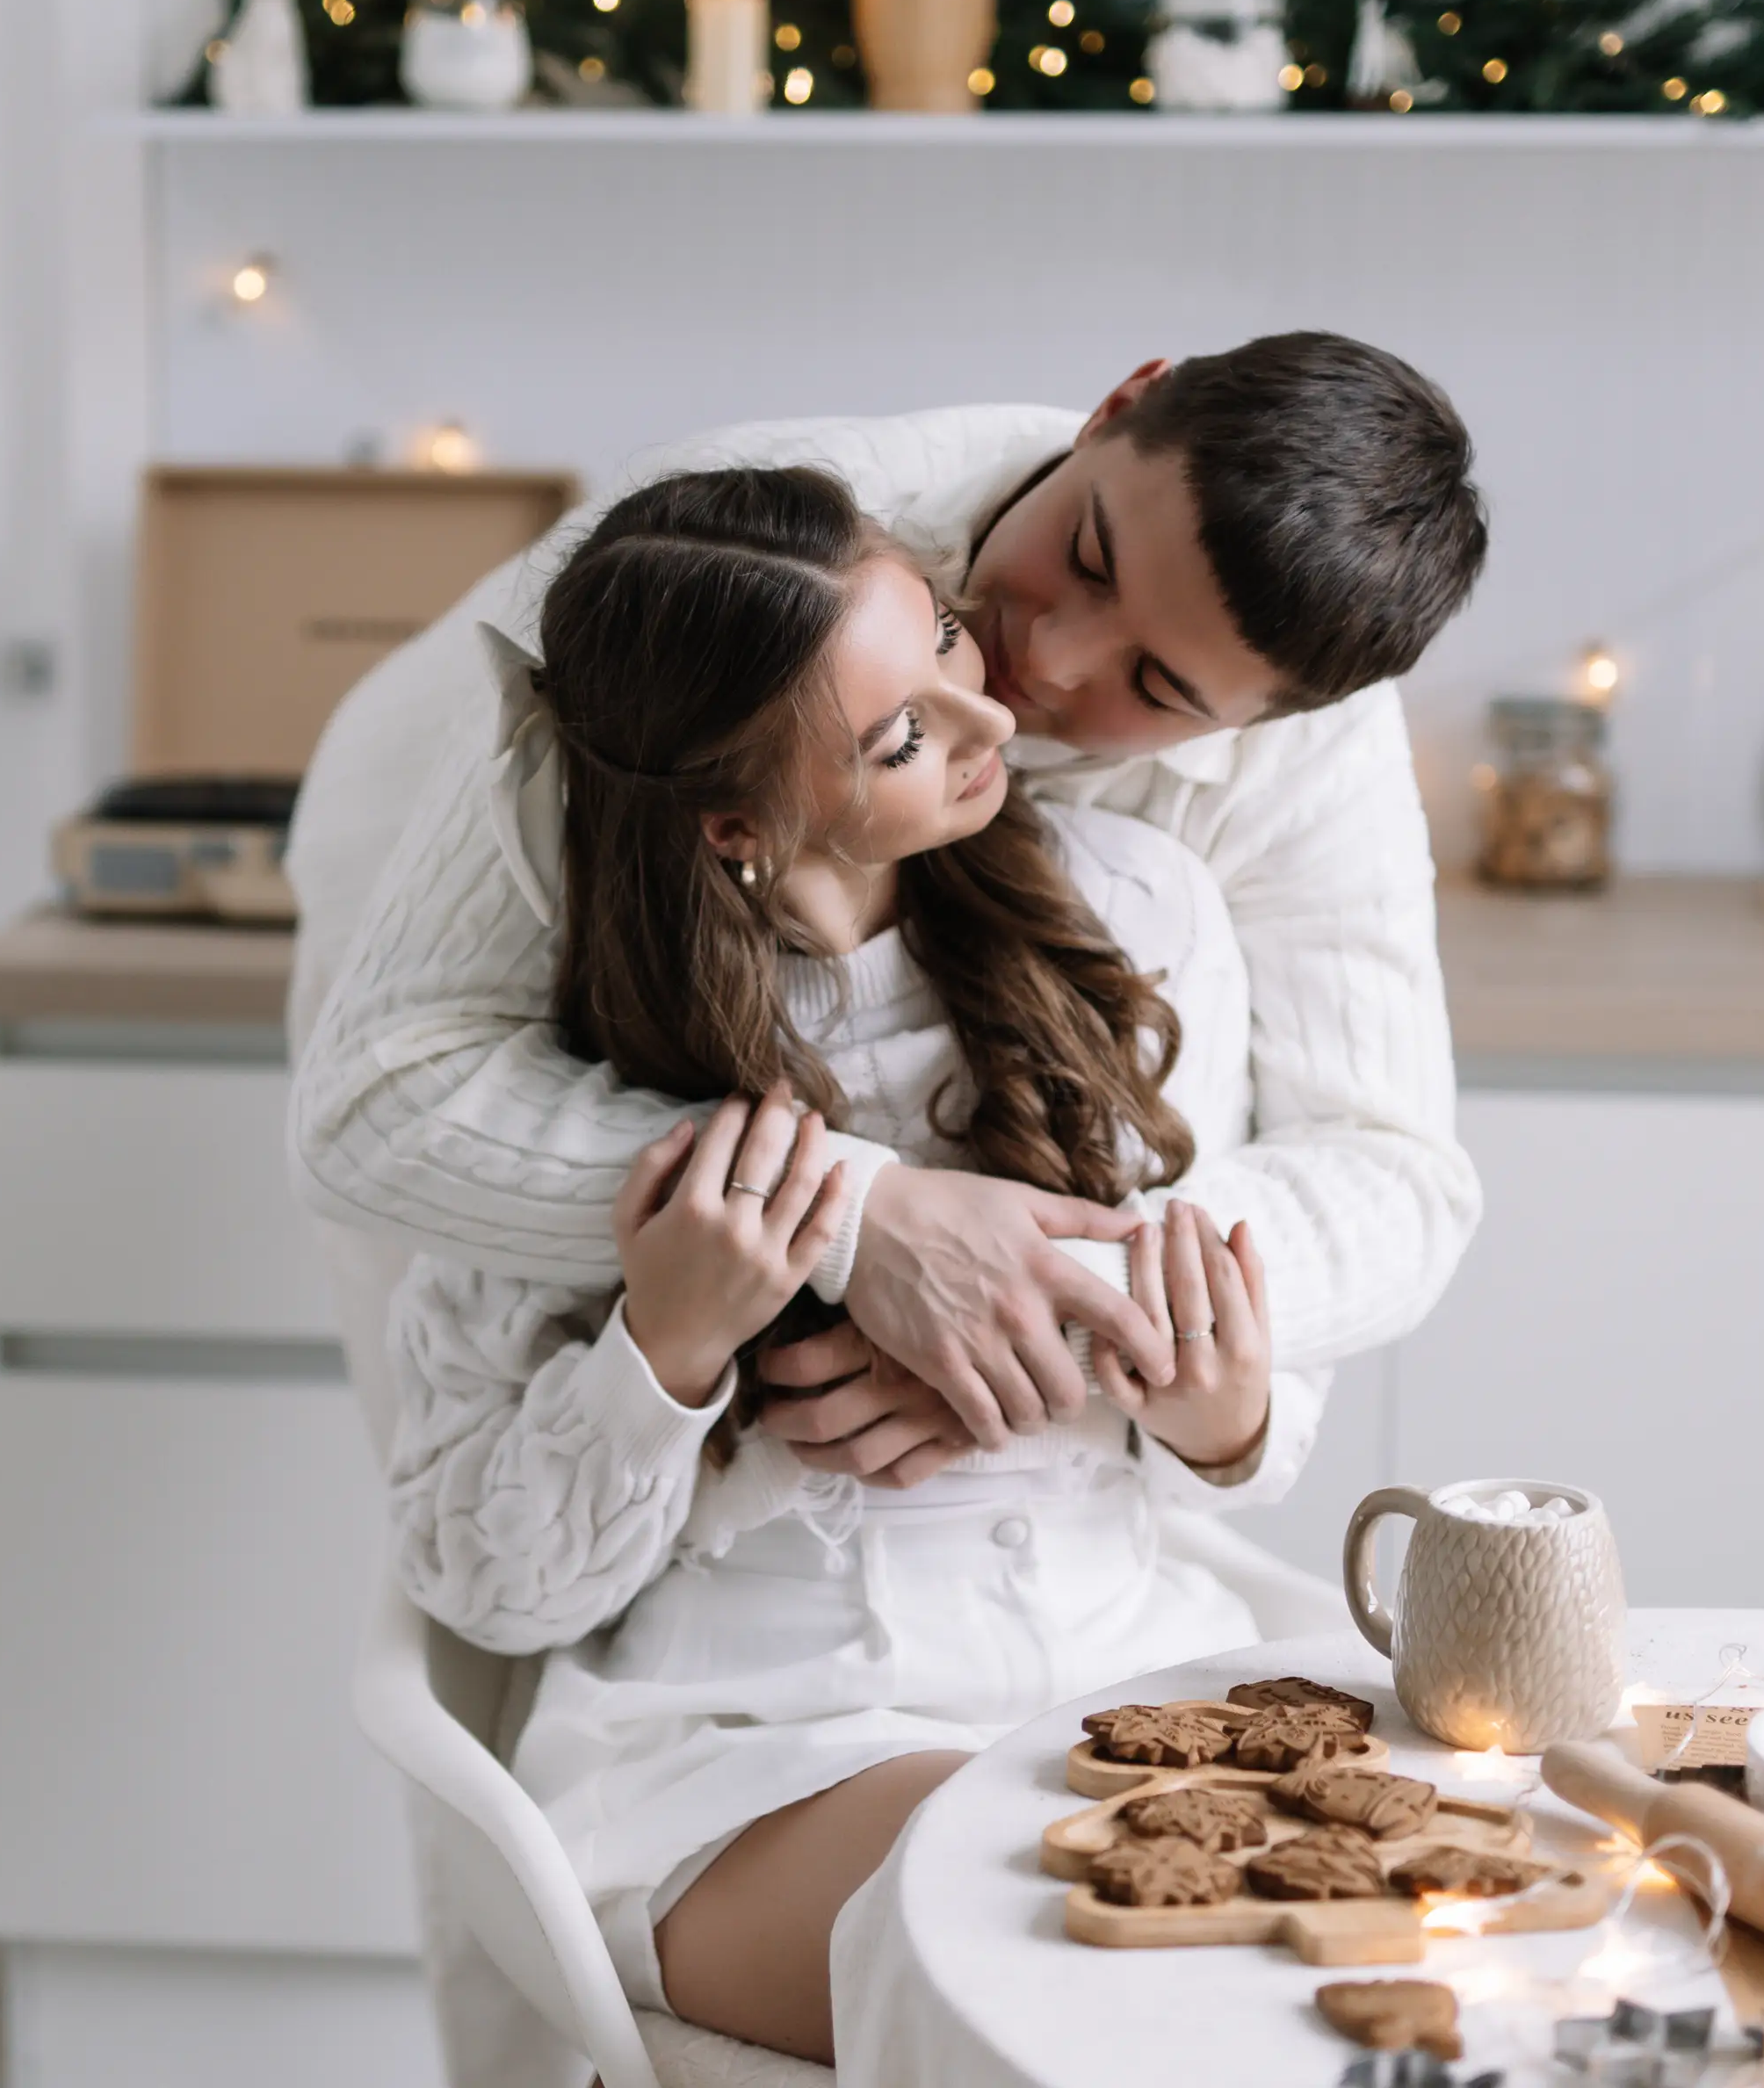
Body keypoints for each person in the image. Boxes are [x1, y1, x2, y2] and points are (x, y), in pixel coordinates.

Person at [381, 466, 1315, 2062]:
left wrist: (1224, 1417)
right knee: (1058, 1939)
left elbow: (1232, 1414)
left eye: (946, 636)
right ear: (735, 824)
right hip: (761, 1750)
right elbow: (487, 1588)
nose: (996, 717)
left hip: (1130, 1677)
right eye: (903, 736)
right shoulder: (571, 1082)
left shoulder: (1135, 917)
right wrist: (665, 1353)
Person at [294, 333, 1492, 1479]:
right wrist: (856, 1224)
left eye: (1158, 685)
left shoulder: (1315, 748)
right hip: (413, 874)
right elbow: (376, 1109)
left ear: (1266, 720)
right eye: (1089, 556)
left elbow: (1393, 1183)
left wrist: (1030, 1318)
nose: (1051, 660)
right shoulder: (748, 549)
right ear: (1120, 405)